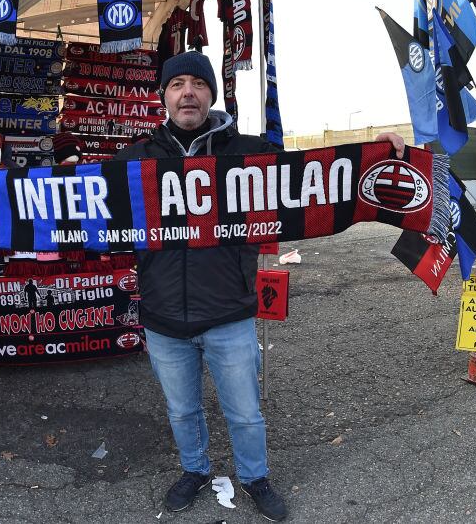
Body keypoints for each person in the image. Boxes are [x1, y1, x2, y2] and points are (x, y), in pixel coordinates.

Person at [111, 52, 403, 522]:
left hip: (229, 313)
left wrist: (373, 149)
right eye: (177, 84)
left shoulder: (248, 153)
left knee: (245, 413)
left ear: (211, 94)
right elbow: (63, 194)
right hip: (163, 319)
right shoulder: (135, 159)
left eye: (198, 84)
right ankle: (195, 470)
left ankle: (254, 476)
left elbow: (318, 173)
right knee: (182, 412)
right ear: (163, 96)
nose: (188, 92)